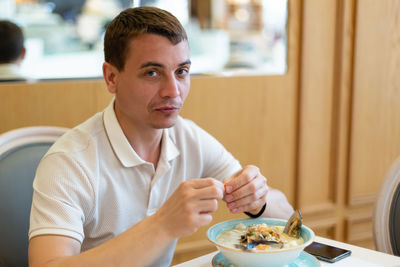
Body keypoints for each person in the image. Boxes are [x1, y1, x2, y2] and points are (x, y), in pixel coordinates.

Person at [28, 6, 294, 267]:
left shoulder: (187, 137)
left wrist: (258, 199)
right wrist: (163, 223)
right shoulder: (69, 162)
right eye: (152, 73)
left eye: (181, 72)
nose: (173, 91)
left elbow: (289, 218)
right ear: (111, 78)